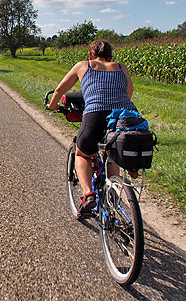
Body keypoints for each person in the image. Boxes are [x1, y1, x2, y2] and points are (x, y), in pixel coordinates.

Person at [47, 39, 137, 216]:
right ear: (111, 56)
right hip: (126, 117)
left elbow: (59, 90)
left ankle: (88, 195)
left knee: (82, 153)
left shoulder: (83, 65)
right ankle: (112, 195)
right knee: (113, 153)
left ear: (90, 55)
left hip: (96, 115)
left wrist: (52, 106)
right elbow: (129, 92)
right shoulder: (121, 67)